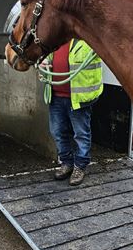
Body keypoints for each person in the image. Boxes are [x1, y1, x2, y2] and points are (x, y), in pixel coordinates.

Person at [40, 39, 103, 185]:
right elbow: (46, 59)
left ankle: (80, 166)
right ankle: (67, 163)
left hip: (78, 99)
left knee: (81, 134)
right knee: (57, 132)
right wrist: (43, 62)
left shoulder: (89, 41)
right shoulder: (55, 40)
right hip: (56, 96)